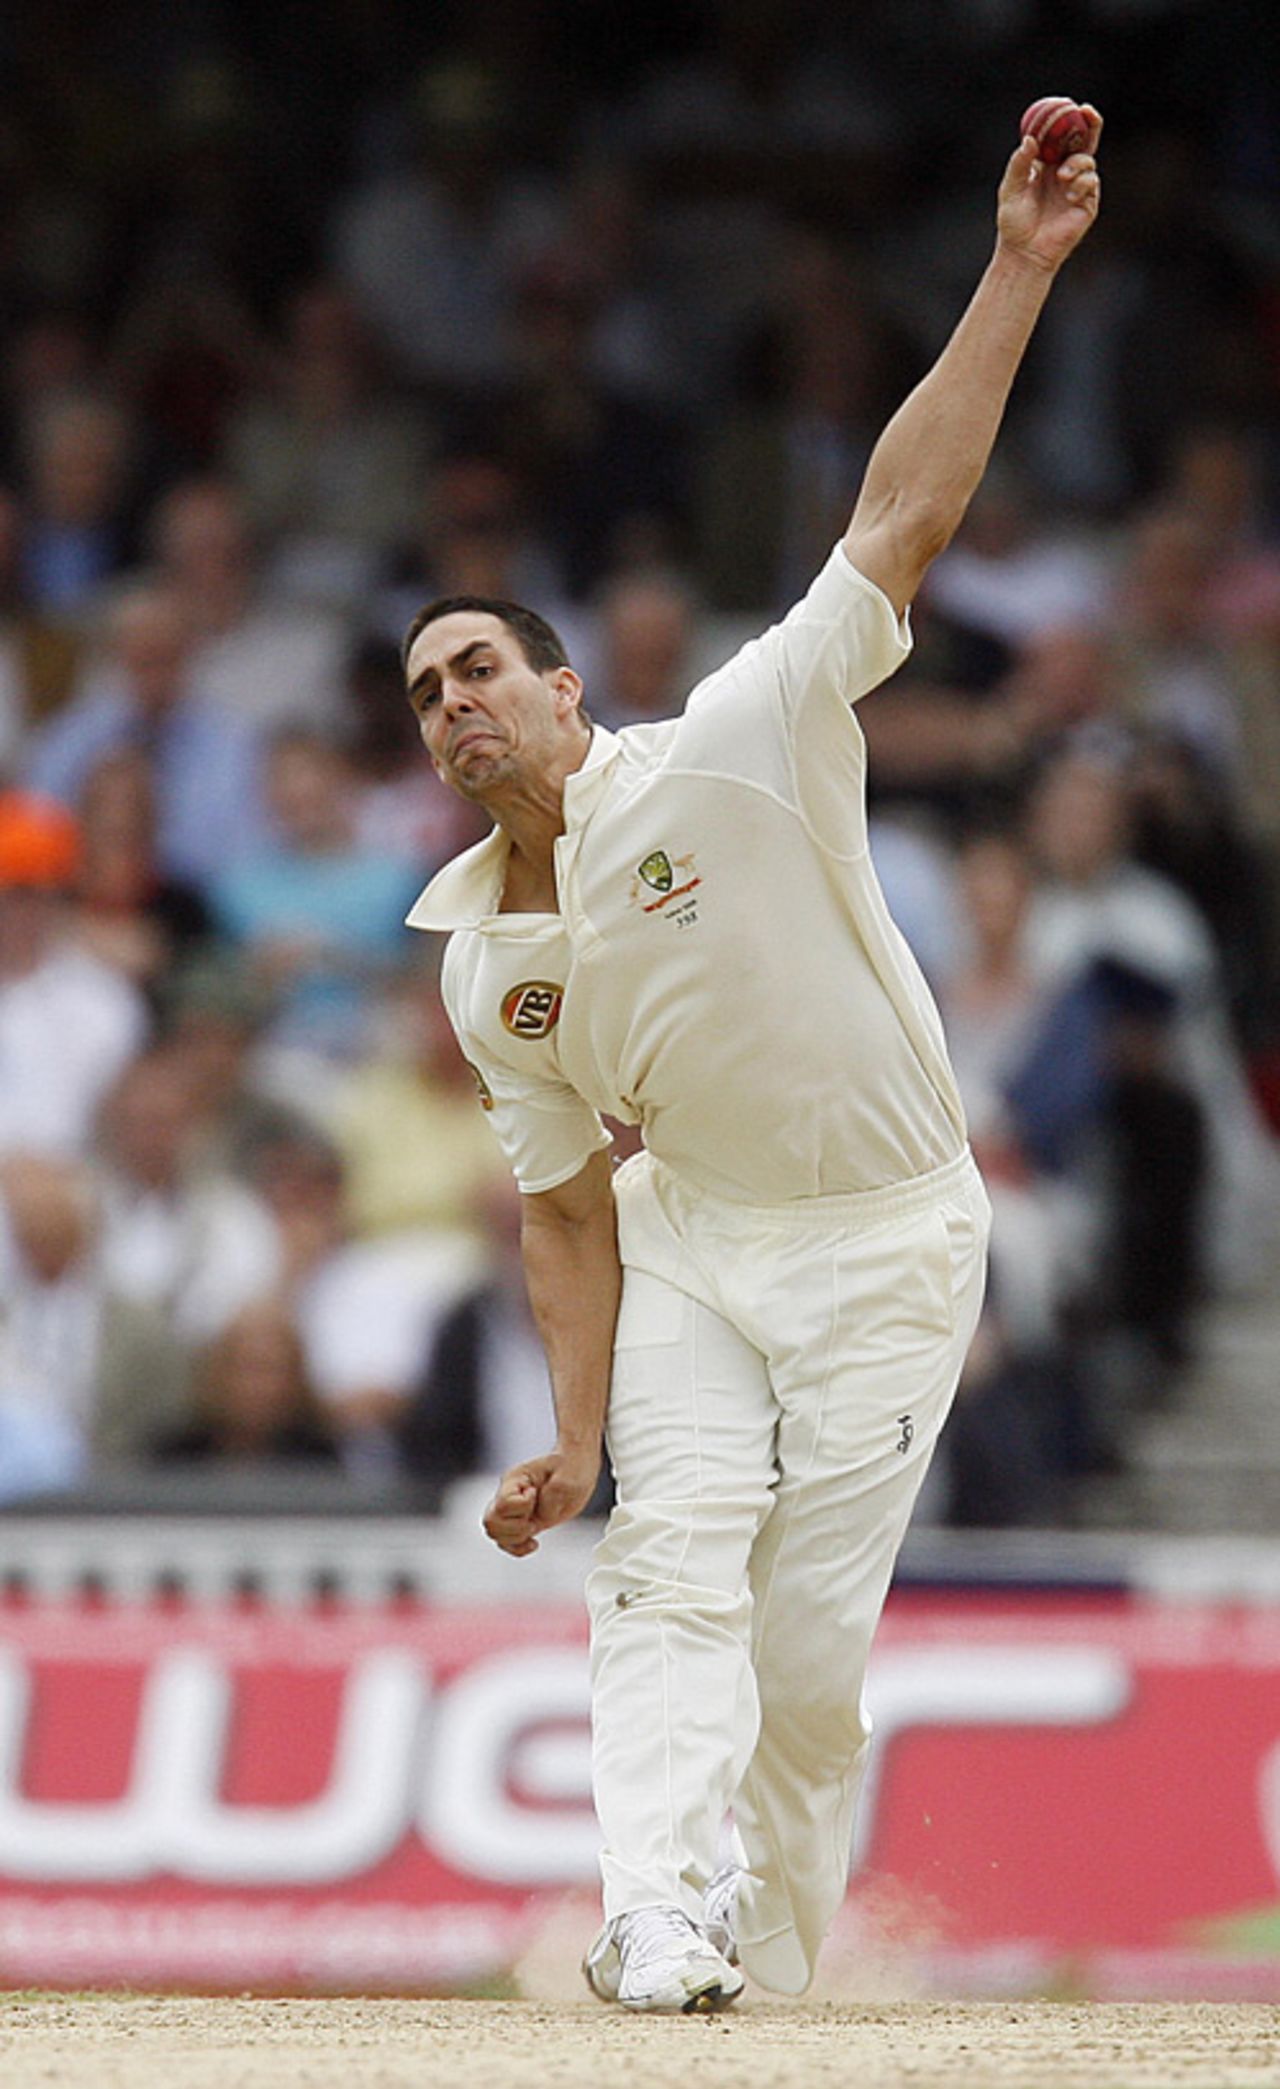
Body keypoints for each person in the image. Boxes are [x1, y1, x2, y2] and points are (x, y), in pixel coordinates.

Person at [399, 114, 1102, 2015]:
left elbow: (901, 520)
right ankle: (656, 1915)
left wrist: (1018, 267)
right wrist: (572, 1434)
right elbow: (564, 1208)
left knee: (802, 1663)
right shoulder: (481, 961)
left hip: (891, 1239)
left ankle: (775, 1986)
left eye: (480, 668)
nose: (454, 703)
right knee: (668, 1563)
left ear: (564, 689)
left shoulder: (735, 736)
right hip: (693, 1241)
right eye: (427, 694)